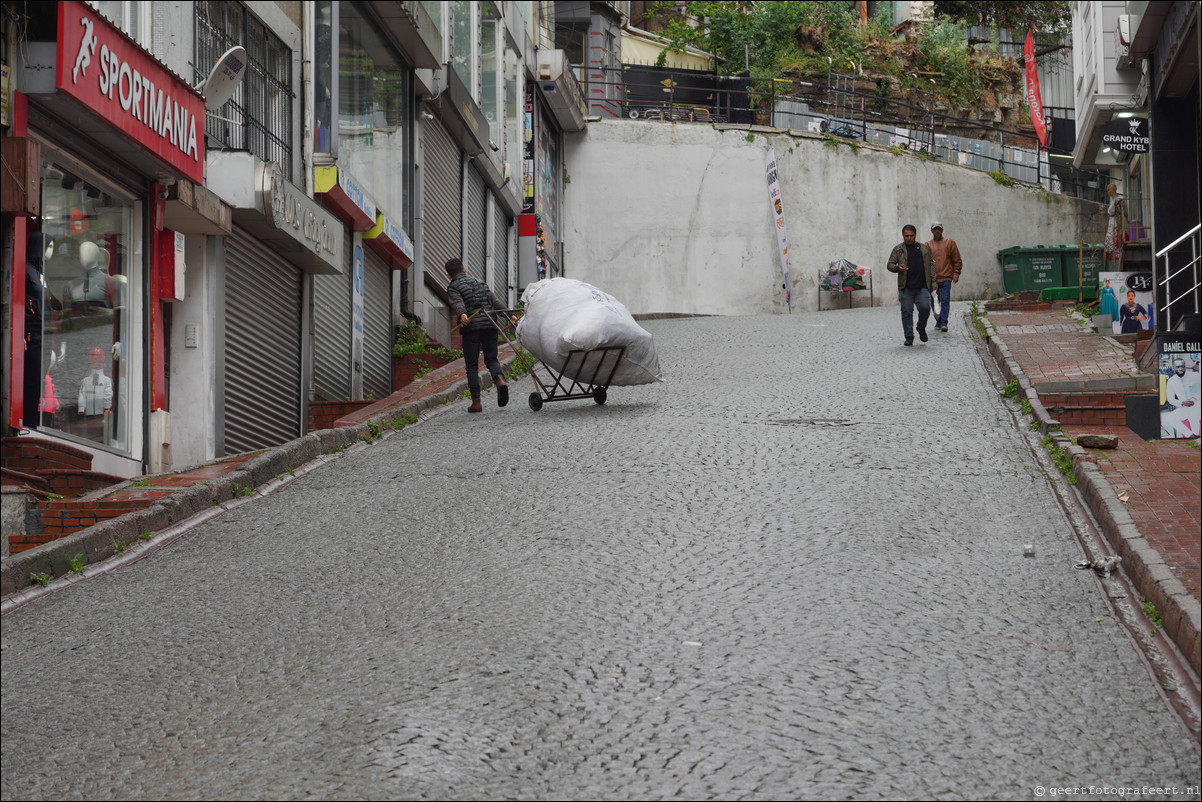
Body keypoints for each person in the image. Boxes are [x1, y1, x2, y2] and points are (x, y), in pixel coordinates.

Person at [446, 258, 509, 413]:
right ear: (464, 269)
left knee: (472, 365)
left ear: (449, 275)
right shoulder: (480, 282)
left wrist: (462, 315)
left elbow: (458, 303)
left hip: (472, 328)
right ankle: (500, 380)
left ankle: (476, 403)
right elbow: (495, 302)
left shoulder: (453, 287)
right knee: (491, 358)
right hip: (489, 325)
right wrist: (509, 315)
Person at [886, 224, 935, 346]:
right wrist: (898, 268)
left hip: (922, 286)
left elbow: (930, 266)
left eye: (911, 236)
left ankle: (921, 327)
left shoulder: (923, 248)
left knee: (925, 308)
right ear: (903, 235)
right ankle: (909, 336)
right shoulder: (898, 249)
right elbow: (890, 265)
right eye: (906, 236)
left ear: (915, 235)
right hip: (906, 287)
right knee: (906, 311)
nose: (909, 238)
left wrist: (934, 282)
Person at [925, 221, 962, 332]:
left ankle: (944, 322)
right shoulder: (927, 245)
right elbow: (925, 263)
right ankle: (939, 320)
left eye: (939, 229)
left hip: (946, 277)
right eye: (935, 229)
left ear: (942, 230)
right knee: (934, 301)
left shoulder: (949, 243)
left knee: (945, 300)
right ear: (931, 231)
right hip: (933, 279)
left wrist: (956, 273)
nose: (937, 231)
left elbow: (957, 260)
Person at [1164, 357, 1199, 438]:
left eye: (1182, 366)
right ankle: (1190, 435)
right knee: (1169, 418)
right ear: (1173, 368)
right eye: (1178, 367)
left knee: (1193, 415)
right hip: (1184, 407)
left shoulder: (1195, 376)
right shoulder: (1171, 381)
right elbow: (1170, 399)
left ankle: (1196, 436)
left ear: (1185, 366)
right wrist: (1182, 403)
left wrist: (1196, 399)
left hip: (1198, 405)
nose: (1180, 369)